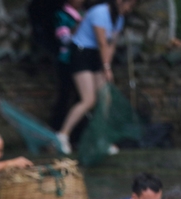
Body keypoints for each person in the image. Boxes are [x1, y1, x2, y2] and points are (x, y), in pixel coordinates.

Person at [55, 0, 136, 155]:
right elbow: (102, 42)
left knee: (105, 99)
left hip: (97, 57)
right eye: (128, 5)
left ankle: (101, 139)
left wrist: (107, 66)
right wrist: (106, 67)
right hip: (81, 54)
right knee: (88, 100)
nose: (129, 9)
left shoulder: (119, 18)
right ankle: (62, 135)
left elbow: (111, 44)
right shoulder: (99, 12)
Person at [50, 0, 84, 131]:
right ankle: (57, 129)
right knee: (64, 96)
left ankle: (76, 133)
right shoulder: (61, 15)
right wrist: (79, 27)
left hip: (81, 61)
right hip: (66, 62)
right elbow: (64, 39)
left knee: (80, 98)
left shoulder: (83, 13)